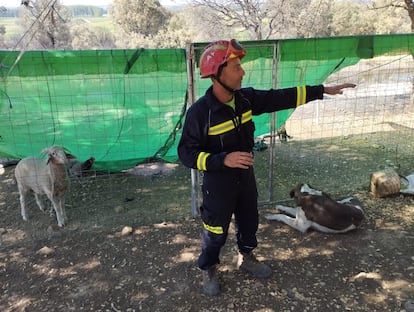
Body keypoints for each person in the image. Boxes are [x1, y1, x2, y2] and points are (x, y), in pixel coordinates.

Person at [177, 39, 355, 296]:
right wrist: (221, 160)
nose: (242, 72)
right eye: (236, 66)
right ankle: (210, 268)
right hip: (218, 185)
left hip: (245, 179)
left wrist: (322, 90)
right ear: (217, 75)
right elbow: (186, 153)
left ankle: (246, 258)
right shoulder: (199, 113)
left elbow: (279, 97)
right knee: (215, 231)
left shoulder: (245, 99)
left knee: (249, 221)